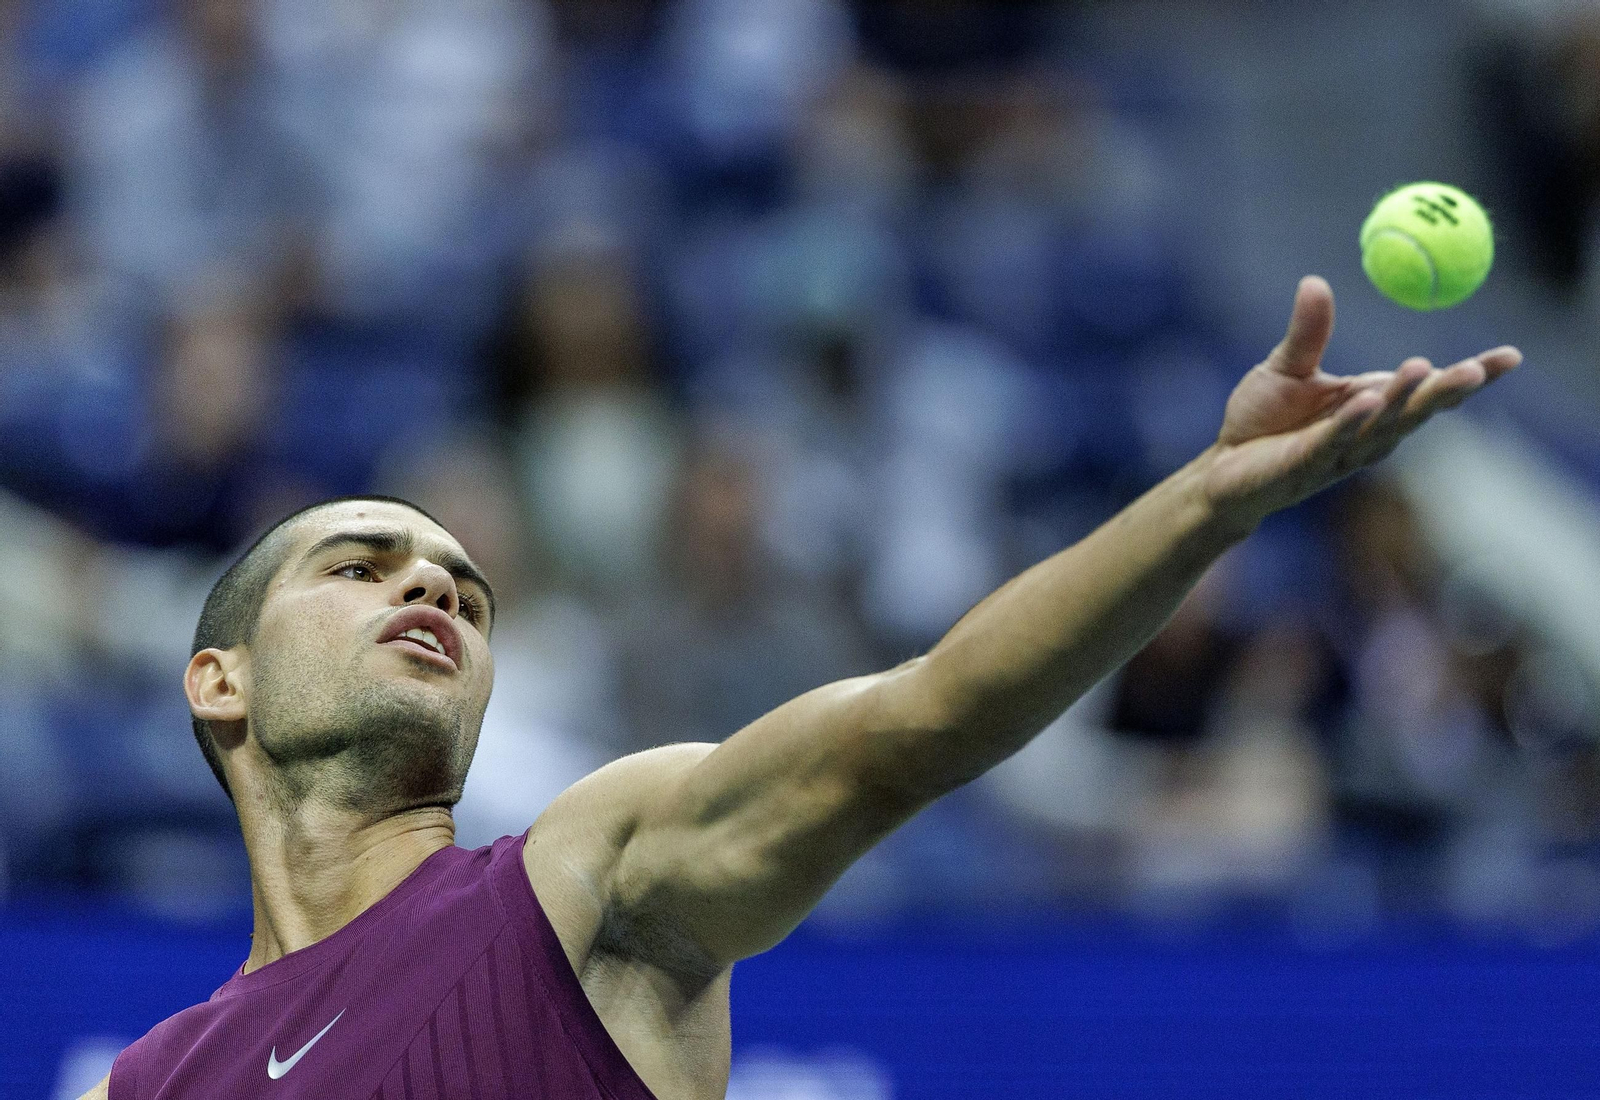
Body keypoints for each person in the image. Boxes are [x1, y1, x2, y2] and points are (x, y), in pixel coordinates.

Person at [83, 277, 1520, 1099]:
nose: (430, 590)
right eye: (362, 566)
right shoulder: (152, 1082)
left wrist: (1210, 502)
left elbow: (922, 720)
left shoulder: (589, 889)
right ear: (221, 680)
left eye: (462, 589)